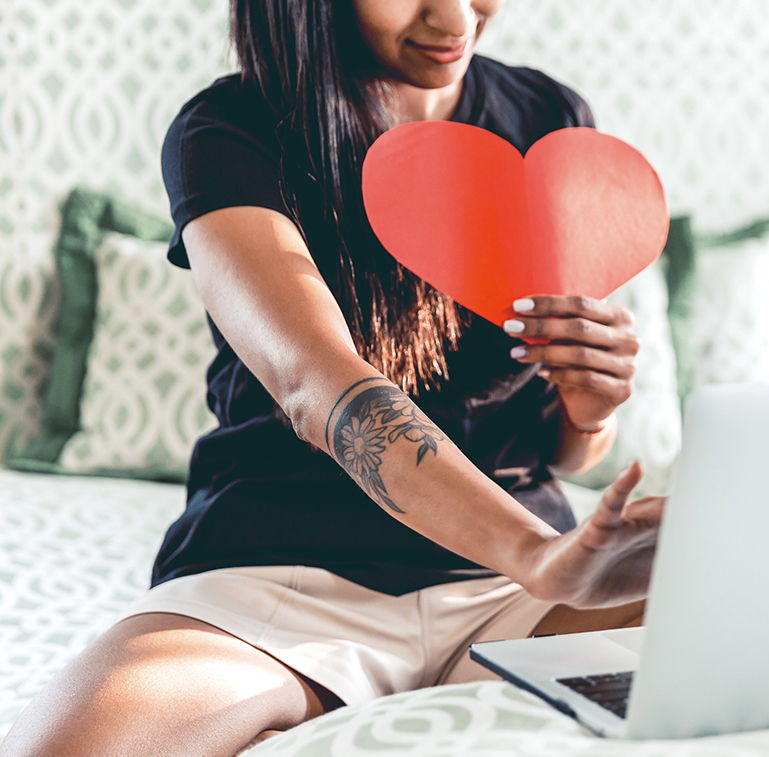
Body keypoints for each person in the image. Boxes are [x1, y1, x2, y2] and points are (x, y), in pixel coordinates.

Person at [0, 0, 664, 754]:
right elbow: (314, 385)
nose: (454, 17)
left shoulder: (548, 117)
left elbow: (568, 453)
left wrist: (588, 409)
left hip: (513, 590)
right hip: (285, 579)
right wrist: (538, 556)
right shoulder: (231, 129)